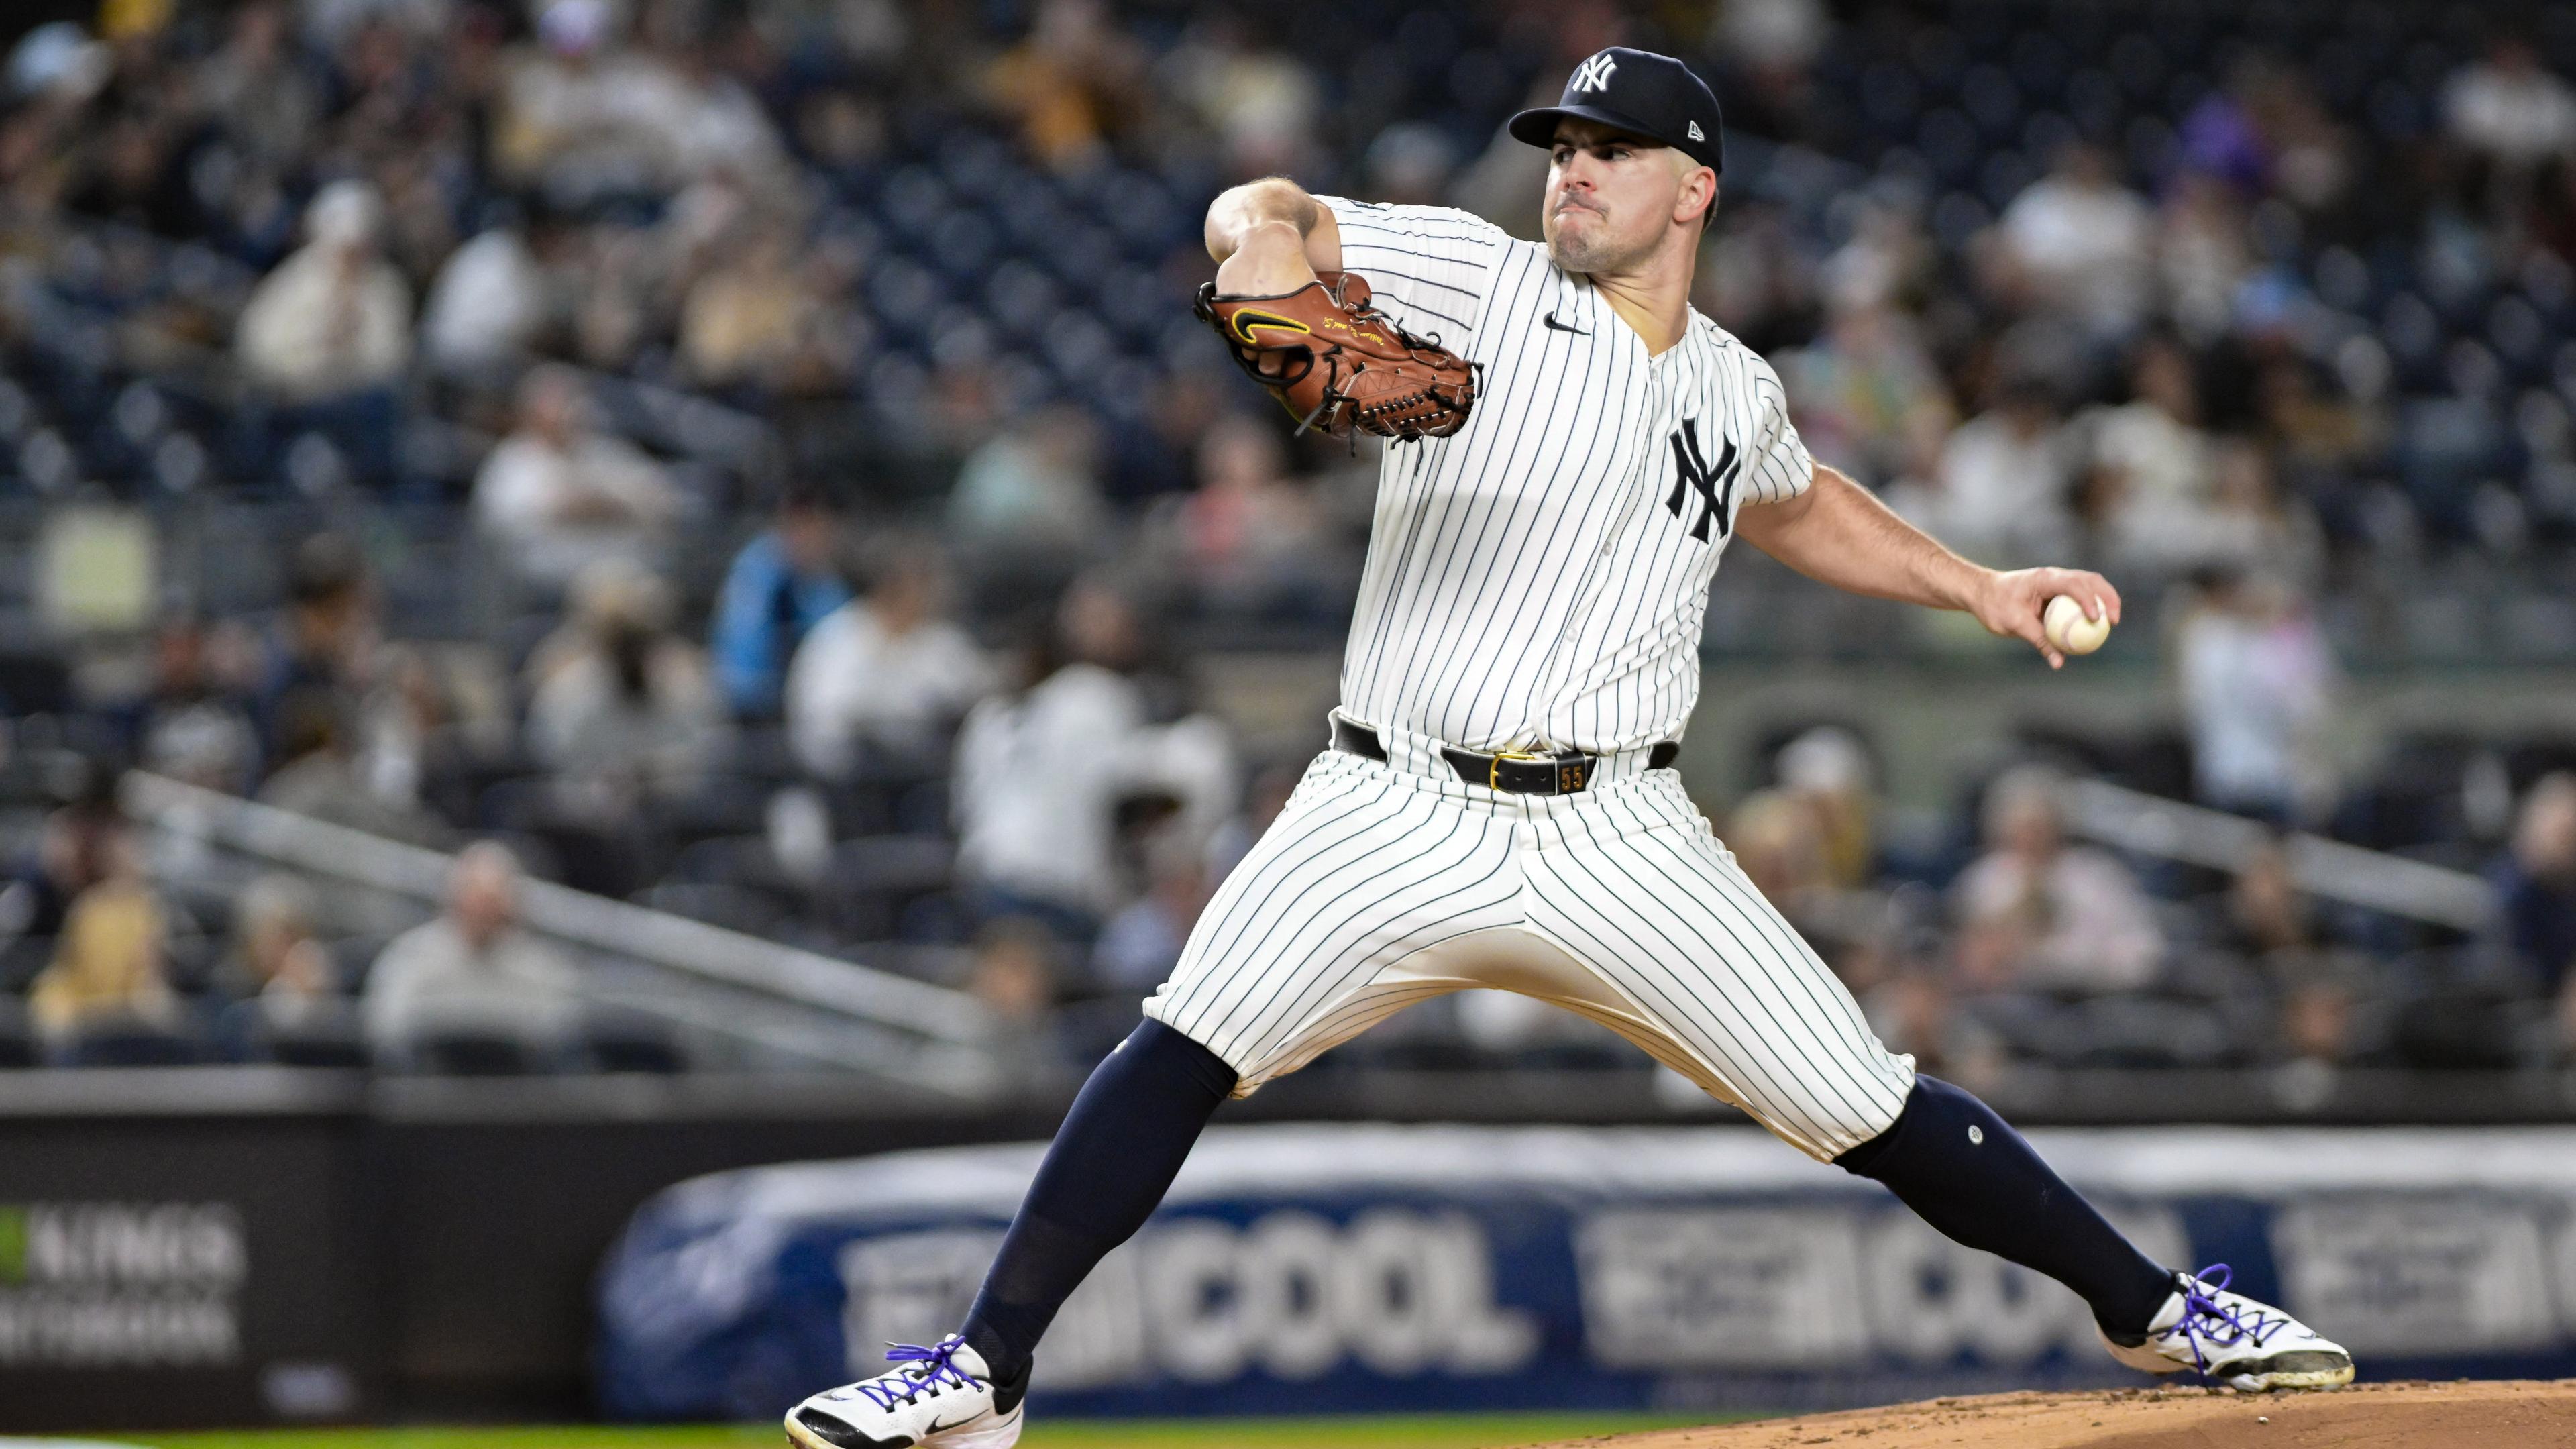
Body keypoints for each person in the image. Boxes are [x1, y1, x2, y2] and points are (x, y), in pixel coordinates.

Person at [787, 48, 2350, 1449]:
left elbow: (1796, 500)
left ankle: (2154, 1308)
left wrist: (1982, 583)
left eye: (1608, 148)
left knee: (1864, 1100)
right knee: (1183, 1039)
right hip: (1389, 799)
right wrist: (1264, 242)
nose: (1572, 169)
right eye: (1560, 145)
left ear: (1694, 189)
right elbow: (1251, 208)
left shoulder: (1734, 384)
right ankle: (982, 1371)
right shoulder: (1477, 277)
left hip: (1620, 833)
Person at [1951, 765, 2165, 994]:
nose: (2031, 838)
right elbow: (1965, 957)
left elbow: (2143, 950)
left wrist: (2094, 966)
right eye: (2022, 828)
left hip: (2089, 998)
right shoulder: (1983, 882)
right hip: (2007, 998)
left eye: (2039, 827)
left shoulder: (2096, 876)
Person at [362, 842, 580, 1065]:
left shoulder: (542, 971)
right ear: (454, 899)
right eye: (477, 899)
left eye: (493, 902)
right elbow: (387, 1031)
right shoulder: (411, 958)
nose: (484, 911)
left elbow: (561, 1038)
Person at [784, 544, 990, 776]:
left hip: (922, 769)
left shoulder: (938, 639)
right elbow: (829, 717)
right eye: (920, 585)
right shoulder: (838, 638)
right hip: (851, 775)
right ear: (889, 590)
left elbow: (976, 687)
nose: (932, 596)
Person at [473, 366, 684, 590]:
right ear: (531, 412)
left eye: (572, 400)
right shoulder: (512, 461)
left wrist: (605, 504)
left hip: (630, 570)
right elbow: (518, 517)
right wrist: (597, 505)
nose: (569, 411)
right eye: (557, 403)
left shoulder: (601, 450)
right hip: (547, 585)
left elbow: (659, 496)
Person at [710, 487, 851, 720]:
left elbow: (839, 641)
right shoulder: (756, 572)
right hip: (756, 704)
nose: (817, 540)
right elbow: (739, 653)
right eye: (810, 529)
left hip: (808, 702)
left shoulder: (827, 583)